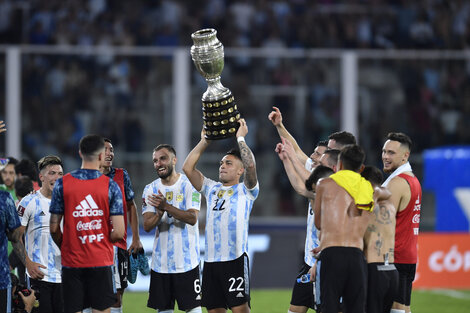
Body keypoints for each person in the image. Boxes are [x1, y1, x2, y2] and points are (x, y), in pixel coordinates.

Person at [183, 119, 258, 313]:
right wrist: (205, 141)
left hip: (235, 259)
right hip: (210, 262)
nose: (222, 166)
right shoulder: (211, 188)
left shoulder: (247, 190)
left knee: (240, 310)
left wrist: (240, 138)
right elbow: (187, 168)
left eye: (229, 163)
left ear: (240, 171)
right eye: (222, 163)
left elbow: (251, 167)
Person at [49, 134, 125, 313]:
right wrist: (102, 242)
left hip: (72, 263)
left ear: (80, 153)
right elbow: (119, 231)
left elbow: (53, 227)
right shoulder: (111, 186)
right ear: (100, 155)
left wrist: (66, 245)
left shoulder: (62, 184)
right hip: (101, 262)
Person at [311, 145, 374, 313]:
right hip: (356, 256)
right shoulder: (367, 188)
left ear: (339, 165)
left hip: (332, 253)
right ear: (361, 167)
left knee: (329, 308)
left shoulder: (324, 184)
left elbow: (318, 223)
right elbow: (367, 226)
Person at [142, 144, 202, 313]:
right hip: (161, 266)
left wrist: (166, 207)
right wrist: (159, 212)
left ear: (174, 160)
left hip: (187, 264)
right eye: (155, 160)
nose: (158, 163)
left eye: (163, 158)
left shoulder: (190, 185)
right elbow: (147, 225)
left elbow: (192, 218)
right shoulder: (150, 189)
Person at [16, 155, 64, 313]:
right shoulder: (29, 202)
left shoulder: (69, 202)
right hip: (39, 277)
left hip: (65, 276)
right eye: (52, 173)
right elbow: (15, 238)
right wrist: (28, 263)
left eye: (60, 174)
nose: (57, 178)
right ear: (41, 177)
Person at [100, 138, 143, 313]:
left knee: (117, 296)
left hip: (118, 246)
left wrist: (136, 238)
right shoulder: (85, 177)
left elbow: (131, 206)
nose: (110, 153)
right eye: (105, 150)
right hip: (94, 245)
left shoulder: (121, 175)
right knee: (89, 295)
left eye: (112, 149)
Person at [381, 132, 422, 313]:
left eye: (391, 153)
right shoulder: (413, 180)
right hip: (407, 255)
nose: (385, 156)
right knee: (403, 307)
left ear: (405, 155)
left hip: (394, 257)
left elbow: (383, 223)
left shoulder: (397, 183)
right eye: (384, 151)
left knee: (393, 308)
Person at [362, 165, 398, 313]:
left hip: (374, 270)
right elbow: (386, 192)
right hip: (392, 270)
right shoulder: (390, 206)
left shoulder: (367, 206)